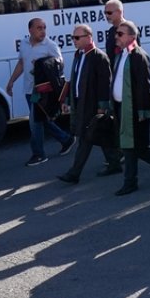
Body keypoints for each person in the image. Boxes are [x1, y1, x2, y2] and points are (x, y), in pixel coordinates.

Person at [110, 21, 150, 196]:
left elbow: (145, 86)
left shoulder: (138, 56)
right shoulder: (121, 54)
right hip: (121, 106)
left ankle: (130, 182)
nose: (116, 36)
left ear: (131, 36)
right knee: (135, 146)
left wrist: (144, 110)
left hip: (134, 109)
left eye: (120, 34)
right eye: (116, 33)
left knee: (129, 147)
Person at [5, 17, 74, 166]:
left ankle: (39, 154)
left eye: (44, 28)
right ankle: (66, 139)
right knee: (42, 119)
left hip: (43, 91)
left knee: (34, 122)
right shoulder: (24, 44)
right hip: (29, 89)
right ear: (30, 30)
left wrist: (43, 64)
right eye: (39, 28)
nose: (43, 31)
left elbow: (59, 66)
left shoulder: (50, 45)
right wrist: (11, 81)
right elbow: (21, 63)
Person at [58, 24, 122, 184]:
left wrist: (103, 106)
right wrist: (67, 100)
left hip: (93, 105)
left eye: (77, 37)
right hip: (81, 103)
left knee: (86, 138)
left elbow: (104, 83)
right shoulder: (78, 55)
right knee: (99, 135)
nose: (74, 40)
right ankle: (114, 163)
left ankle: (74, 173)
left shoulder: (98, 56)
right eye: (73, 37)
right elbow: (74, 81)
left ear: (89, 37)